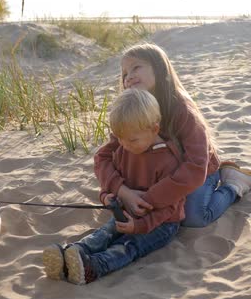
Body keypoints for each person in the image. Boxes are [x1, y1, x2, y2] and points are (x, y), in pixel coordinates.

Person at [94, 43, 251, 228]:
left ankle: (233, 184)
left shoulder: (182, 110)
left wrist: (150, 199)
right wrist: (123, 191)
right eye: (125, 73)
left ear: (159, 69)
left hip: (198, 173)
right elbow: (102, 157)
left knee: (194, 218)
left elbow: (196, 166)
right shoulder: (131, 111)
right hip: (159, 175)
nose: (129, 76)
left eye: (136, 67)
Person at [43, 88, 185, 285]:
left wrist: (140, 225)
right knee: (105, 233)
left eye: (132, 139)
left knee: (129, 245)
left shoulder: (168, 161)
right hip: (126, 213)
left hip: (162, 224)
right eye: (119, 138)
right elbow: (114, 183)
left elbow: (171, 207)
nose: (124, 145)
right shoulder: (124, 149)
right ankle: (72, 254)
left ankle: (95, 267)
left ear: (154, 129)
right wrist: (107, 197)